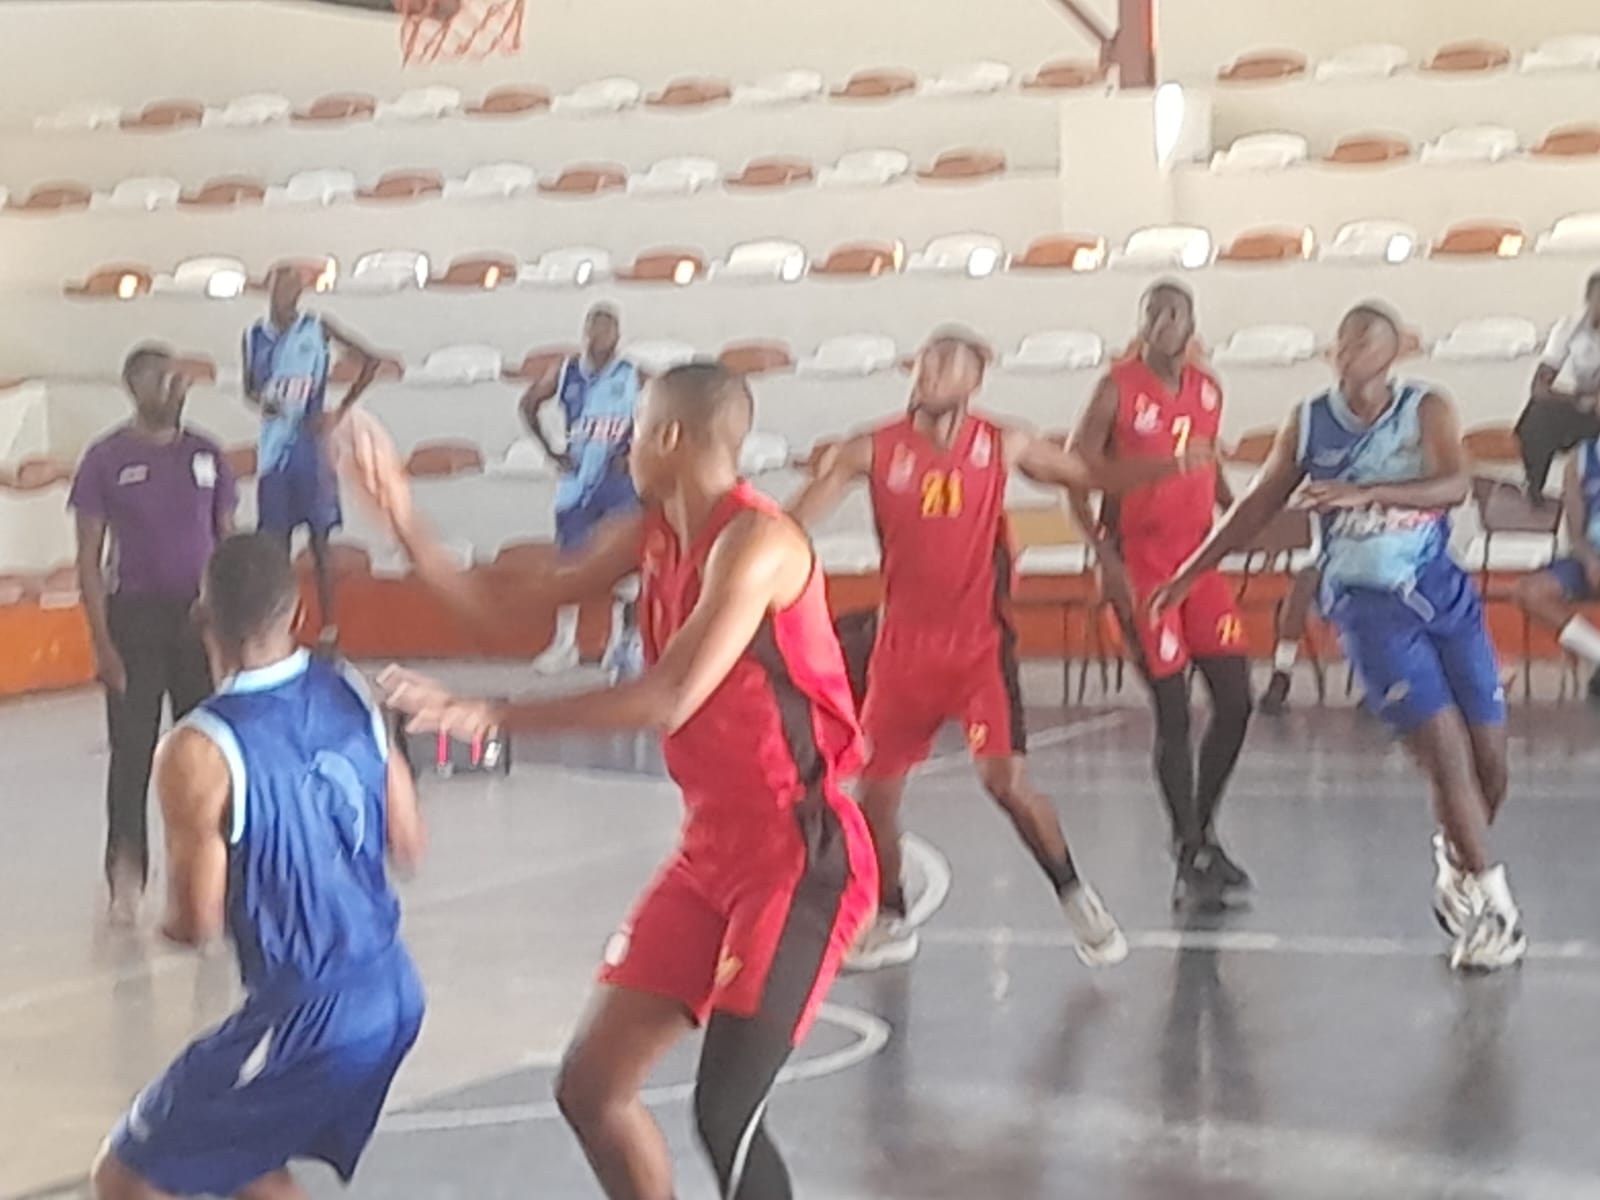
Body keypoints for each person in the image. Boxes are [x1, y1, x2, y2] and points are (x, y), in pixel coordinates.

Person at [353, 363, 878, 1200]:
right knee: (591, 1089)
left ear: (670, 438)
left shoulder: (758, 542)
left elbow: (669, 694)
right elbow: (508, 606)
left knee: (726, 1113)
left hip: (797, 853)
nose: (624, 446)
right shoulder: (652, 534)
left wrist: (496, 716)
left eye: (635, 430)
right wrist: (406, 522)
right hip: (711, 849)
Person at [1152, 303, 1524, 972]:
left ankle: (1460, 857)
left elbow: (1454, 484)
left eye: (1366, 339)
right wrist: (1188, 573)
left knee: (1491, 759)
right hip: (1369, 609)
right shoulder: (1310, 422)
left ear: (1394, 352)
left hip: (1442, 593)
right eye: (1344, 338)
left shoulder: (1426, 409)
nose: (1351, 347)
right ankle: (1495, 911)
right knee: (1445, 757)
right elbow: (1254, 506)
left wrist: (1369, 493)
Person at [790, 329, 1146, 972]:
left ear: (975, 380)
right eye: (925, 361)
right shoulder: (868, 449)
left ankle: (1076, 896)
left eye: (948, 364)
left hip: (979, 647)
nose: (930, 372)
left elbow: (1087, 474)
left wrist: (1141, 470)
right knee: (875, 794)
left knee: (1005, 781)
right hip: (902, 649)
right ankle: (891, 916)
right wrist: (746, 543)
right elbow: (796, 520)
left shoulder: (1001, 440)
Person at [91, 533, 427, 1200]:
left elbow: (197, 922)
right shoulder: (349, 688)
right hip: (394, 989)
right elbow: (407, 840)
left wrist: (161, 924)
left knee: (128, 1175)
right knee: (242, 1159)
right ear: (297, 612)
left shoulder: (196, 748)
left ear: (200, 616)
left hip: (306, 1013)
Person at [1069, 282, 1254, 910]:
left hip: (1198, 563)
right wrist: (1102, 555)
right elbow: (1078, 473)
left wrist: (1242, 513)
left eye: (1178, 311)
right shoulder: (1116, 388)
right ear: (1142, 322)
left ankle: (1198, 835)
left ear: (1194, 322)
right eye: (1156, 311)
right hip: (1141, 568)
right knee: (1173, 712)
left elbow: (1207, 464)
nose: (1168, 321)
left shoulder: (1208, 389)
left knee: (1236, 700)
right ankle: (1190, 846)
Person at [70, 345, 236, 924]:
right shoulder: (105, 459)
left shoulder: (207, 454)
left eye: (178, 379)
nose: (175, 388)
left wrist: (225, 631)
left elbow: (225, 544)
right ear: (134, 386)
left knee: (203, 757)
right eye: (163, 380)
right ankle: (126, 875)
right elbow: (89, 559)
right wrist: (102, 644)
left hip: (196, 624)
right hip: (134, 620)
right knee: (133, 755)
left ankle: (208, 873)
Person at [243, 265, 381, 650]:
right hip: (274, 451)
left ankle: (329, 627)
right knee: (275, 546)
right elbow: (249, 388)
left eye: (293, 288)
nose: (287, 294)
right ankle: (280, 626)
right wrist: (263, 403)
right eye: (280, 286)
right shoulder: (255, 335)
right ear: (269, 289)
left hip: (311, 450)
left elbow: (370, 360)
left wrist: (340, 411)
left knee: (320, 543)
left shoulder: (317, 327)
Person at [518, 304, 644, 677]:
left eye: (608, 330)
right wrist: (551, 450)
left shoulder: (633, 374)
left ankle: (623, 645)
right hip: (577, 483)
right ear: (585, 332)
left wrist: (636, 451)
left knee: (626, 567)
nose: (601, 337)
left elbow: (663, 411)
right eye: (595, 329)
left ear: (618, 336)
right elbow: (528, 405)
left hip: (619, 483)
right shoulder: (565, 371)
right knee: (569, 563)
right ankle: (565, 644)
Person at [1512, 432, 1600, 700]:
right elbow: (1576, 531)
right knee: (1529, 592)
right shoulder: (1581, 459)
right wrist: (1590, 561)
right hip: (1589, 557)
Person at [1515, 269, 1600, 500]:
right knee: (1536, 417)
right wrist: (1579, 399)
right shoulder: (1567, 328)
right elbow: (1540, 388)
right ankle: (1534, 489)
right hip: (1582, 404)